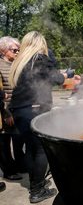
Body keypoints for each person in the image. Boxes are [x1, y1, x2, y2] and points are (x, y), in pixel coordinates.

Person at [8, 31, 68, 203]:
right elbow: (55, 79)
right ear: (40, 44)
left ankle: (36, 183)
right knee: (41, 149)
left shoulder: (19, 62)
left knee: (30, 148)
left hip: (19, 110)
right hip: (35, 109)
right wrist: (66, 75)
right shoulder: (40, 59)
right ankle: (37, 190)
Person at [0, 36, 25, 180]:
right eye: (14, 50)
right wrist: (6, 112)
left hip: (18, 110)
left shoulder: (17, 64)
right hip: (5, 112)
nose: (17, 52)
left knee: (18, 140)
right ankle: (8, 171)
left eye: (18, 50)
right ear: (3, 51)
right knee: (3, 143)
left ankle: (20, 166)